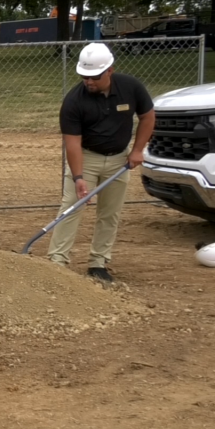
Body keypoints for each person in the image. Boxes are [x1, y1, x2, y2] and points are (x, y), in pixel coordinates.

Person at [45, 42, 155, 284]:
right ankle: (57, 262)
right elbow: (72, 143)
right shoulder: (74, 101)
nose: (89, 82)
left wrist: (137, 150)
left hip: (119, 159)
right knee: (70, 208)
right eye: (84, 77)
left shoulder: (131, 87)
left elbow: (147, 116)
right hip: (87, 158)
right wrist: (78, 177)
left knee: (109, 213)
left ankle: (98, 263)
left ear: (110, 70)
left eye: (94, 77)